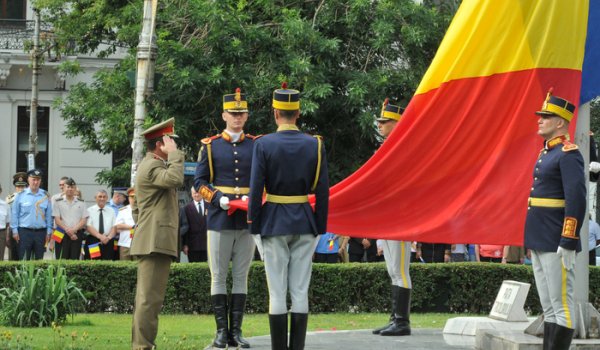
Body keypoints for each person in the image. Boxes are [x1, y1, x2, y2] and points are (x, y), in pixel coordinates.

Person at [248, 82, 329, 350]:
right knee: (300, 290)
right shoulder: (314, 145)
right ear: (298, 113)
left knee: (276, 292)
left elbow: (256, 187)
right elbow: (323, 190)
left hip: (273, 220)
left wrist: (254, 224)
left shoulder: (263, 144)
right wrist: (319, 225)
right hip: (304, 220)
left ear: (275, 113)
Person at [194, 88, 256, 349]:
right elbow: (199, 182)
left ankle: (237, 332)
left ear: (246, 116)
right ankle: (221, 332)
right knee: (218, 275)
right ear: (223, 115)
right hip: (220, 216)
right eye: (233, 114)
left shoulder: (256, 144)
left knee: (241, 275)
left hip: (247, 218)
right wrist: (216, 196)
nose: (237, 118)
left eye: (241, 114)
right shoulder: (210, 146)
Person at [524, 90, 586, 349]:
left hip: (556, 239)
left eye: (546, 116)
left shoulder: (568, 153)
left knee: (562, 306)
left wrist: (569, 240)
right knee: (548, 306)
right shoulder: (547, 153)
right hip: (540, 236)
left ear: (560, 122)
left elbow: (576, 200)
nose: (540, 120)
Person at [130, 118, 184, 350]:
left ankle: (143, 344)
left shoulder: (150, 165)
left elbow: (136, 208)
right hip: (154, 241)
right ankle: (142, 346)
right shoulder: (153, 165)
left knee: (150, 298)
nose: (173, 145)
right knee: (149, 300)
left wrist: (145, 225)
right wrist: (175, 156)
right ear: (161, 144)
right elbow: (176, 178)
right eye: (170, 141)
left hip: (152, 239)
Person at [371, 99, 412, 337]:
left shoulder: (404, 150)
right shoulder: (385, 148)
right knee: (392, 269)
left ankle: (402, 322)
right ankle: (395, 318)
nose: (380, 125)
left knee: (400, 270)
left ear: (397, 124)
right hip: (388, 216)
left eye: (385, 122)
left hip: (401, 217)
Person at [10, 169, 53, 260]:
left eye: (38, 179)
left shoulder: (46, 196)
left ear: (40, 181)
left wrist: (49, 231)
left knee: (39, 261)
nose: (36, 182)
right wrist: (14, 230)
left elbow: (48, 216)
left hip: (41, 233)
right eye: (33, 179)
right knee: (24, 260)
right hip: (24, 232)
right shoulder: (20, 195)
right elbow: (15, 214)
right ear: (28, 180)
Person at [51, 178, 88, 260]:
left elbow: (83, 220)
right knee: (61, 259)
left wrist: (73, 230)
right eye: (68, 187)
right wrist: (69, 231)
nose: (70, 189)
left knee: (74, 259)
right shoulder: (57, 201)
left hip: (76, 234)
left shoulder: (81, 202)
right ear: (64, 188)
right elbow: (57, 219)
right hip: (61, 233)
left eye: (72, 187)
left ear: (75, 189)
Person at [84, 190, 117, 260]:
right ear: (95, 198)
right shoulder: (89, 210)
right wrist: (100, 237)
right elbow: (88, 226)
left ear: (107, 198)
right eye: (100, 196)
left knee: (107, 262)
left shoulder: (111, 211)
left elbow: (114, 227)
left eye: (104, 197)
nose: (102, 198)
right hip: (93, 240)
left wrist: (108, 238)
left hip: (108, 240)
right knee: (94, 262)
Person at [179, 186, 208, 262]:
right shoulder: (186, 208)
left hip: (208, 245)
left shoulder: (209, 206)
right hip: (192, 245)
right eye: (194, 193)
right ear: (191, 194)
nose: (196, 195)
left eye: (198, 192)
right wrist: (185, 245)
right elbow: (186, 227)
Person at [5, 172, 27, 260]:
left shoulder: (30, 197)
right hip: (13, 229)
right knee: (14, 255)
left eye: (23, 186)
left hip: (25, 229)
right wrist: (7, 234)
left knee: (26, 255)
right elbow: (8, 218)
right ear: (15, 186)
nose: (20, 189)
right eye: (18, 186)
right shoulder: (10, 198)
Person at [115, 187, 136, 261]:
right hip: (125, 243)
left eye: (136, 197)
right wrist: (132, 227)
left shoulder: (144, 210)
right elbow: (117, 225)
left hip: (139, 244)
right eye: (132, 197)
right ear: (128, 198)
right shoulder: (123, 210)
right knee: (124, 267)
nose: (134, 199)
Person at [0, 184, 10, 260]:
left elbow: (8, 223)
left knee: (0, 257)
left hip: (1, 233)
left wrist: (7, 236)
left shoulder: (5, 205)